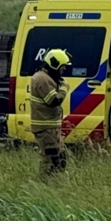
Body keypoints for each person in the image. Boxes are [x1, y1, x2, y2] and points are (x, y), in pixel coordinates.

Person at [28, 48, 71, 177]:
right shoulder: (42, 79)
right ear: (55, 65)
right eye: (62, 68)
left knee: (61, 157)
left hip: (50, 127)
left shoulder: (46, 78)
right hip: (45, 127)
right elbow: (53, 100)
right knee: (50, 160)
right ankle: (44, 185)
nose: (63, 71)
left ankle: (55, 183)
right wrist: (64, 88)